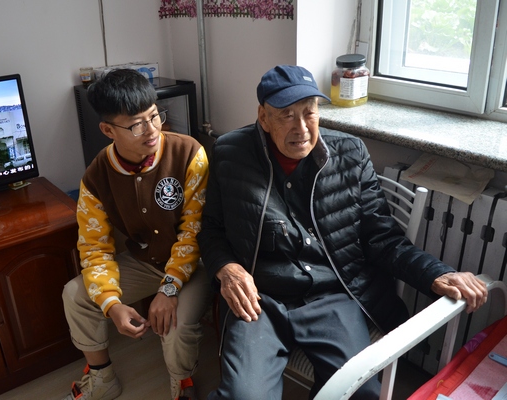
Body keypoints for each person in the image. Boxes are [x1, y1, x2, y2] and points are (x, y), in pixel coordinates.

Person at [196, 65, 488, 400]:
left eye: (309, 112)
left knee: (359, 394)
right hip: (261, 299)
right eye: (286, 115)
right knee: (243, 396)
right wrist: (227, 268)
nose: (301, 128)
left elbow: (384, 239)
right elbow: (212, 229)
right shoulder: (230, 153)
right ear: (263, 117)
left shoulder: (350, 153)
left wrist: (437, 273)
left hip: (332, 295)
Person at [62, 69, 212, 400]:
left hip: (194, 264)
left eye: (154, 116)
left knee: (175, 323)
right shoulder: (96, 176)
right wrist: (111, 303)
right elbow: (94, 247)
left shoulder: (189, 153)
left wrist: (170, 288)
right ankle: (102, 379)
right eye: (136, 125)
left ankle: (182, 385)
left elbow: (194, 231)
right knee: (75, 294)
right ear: (107, 130)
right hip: (145, 262)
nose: (152, 130)